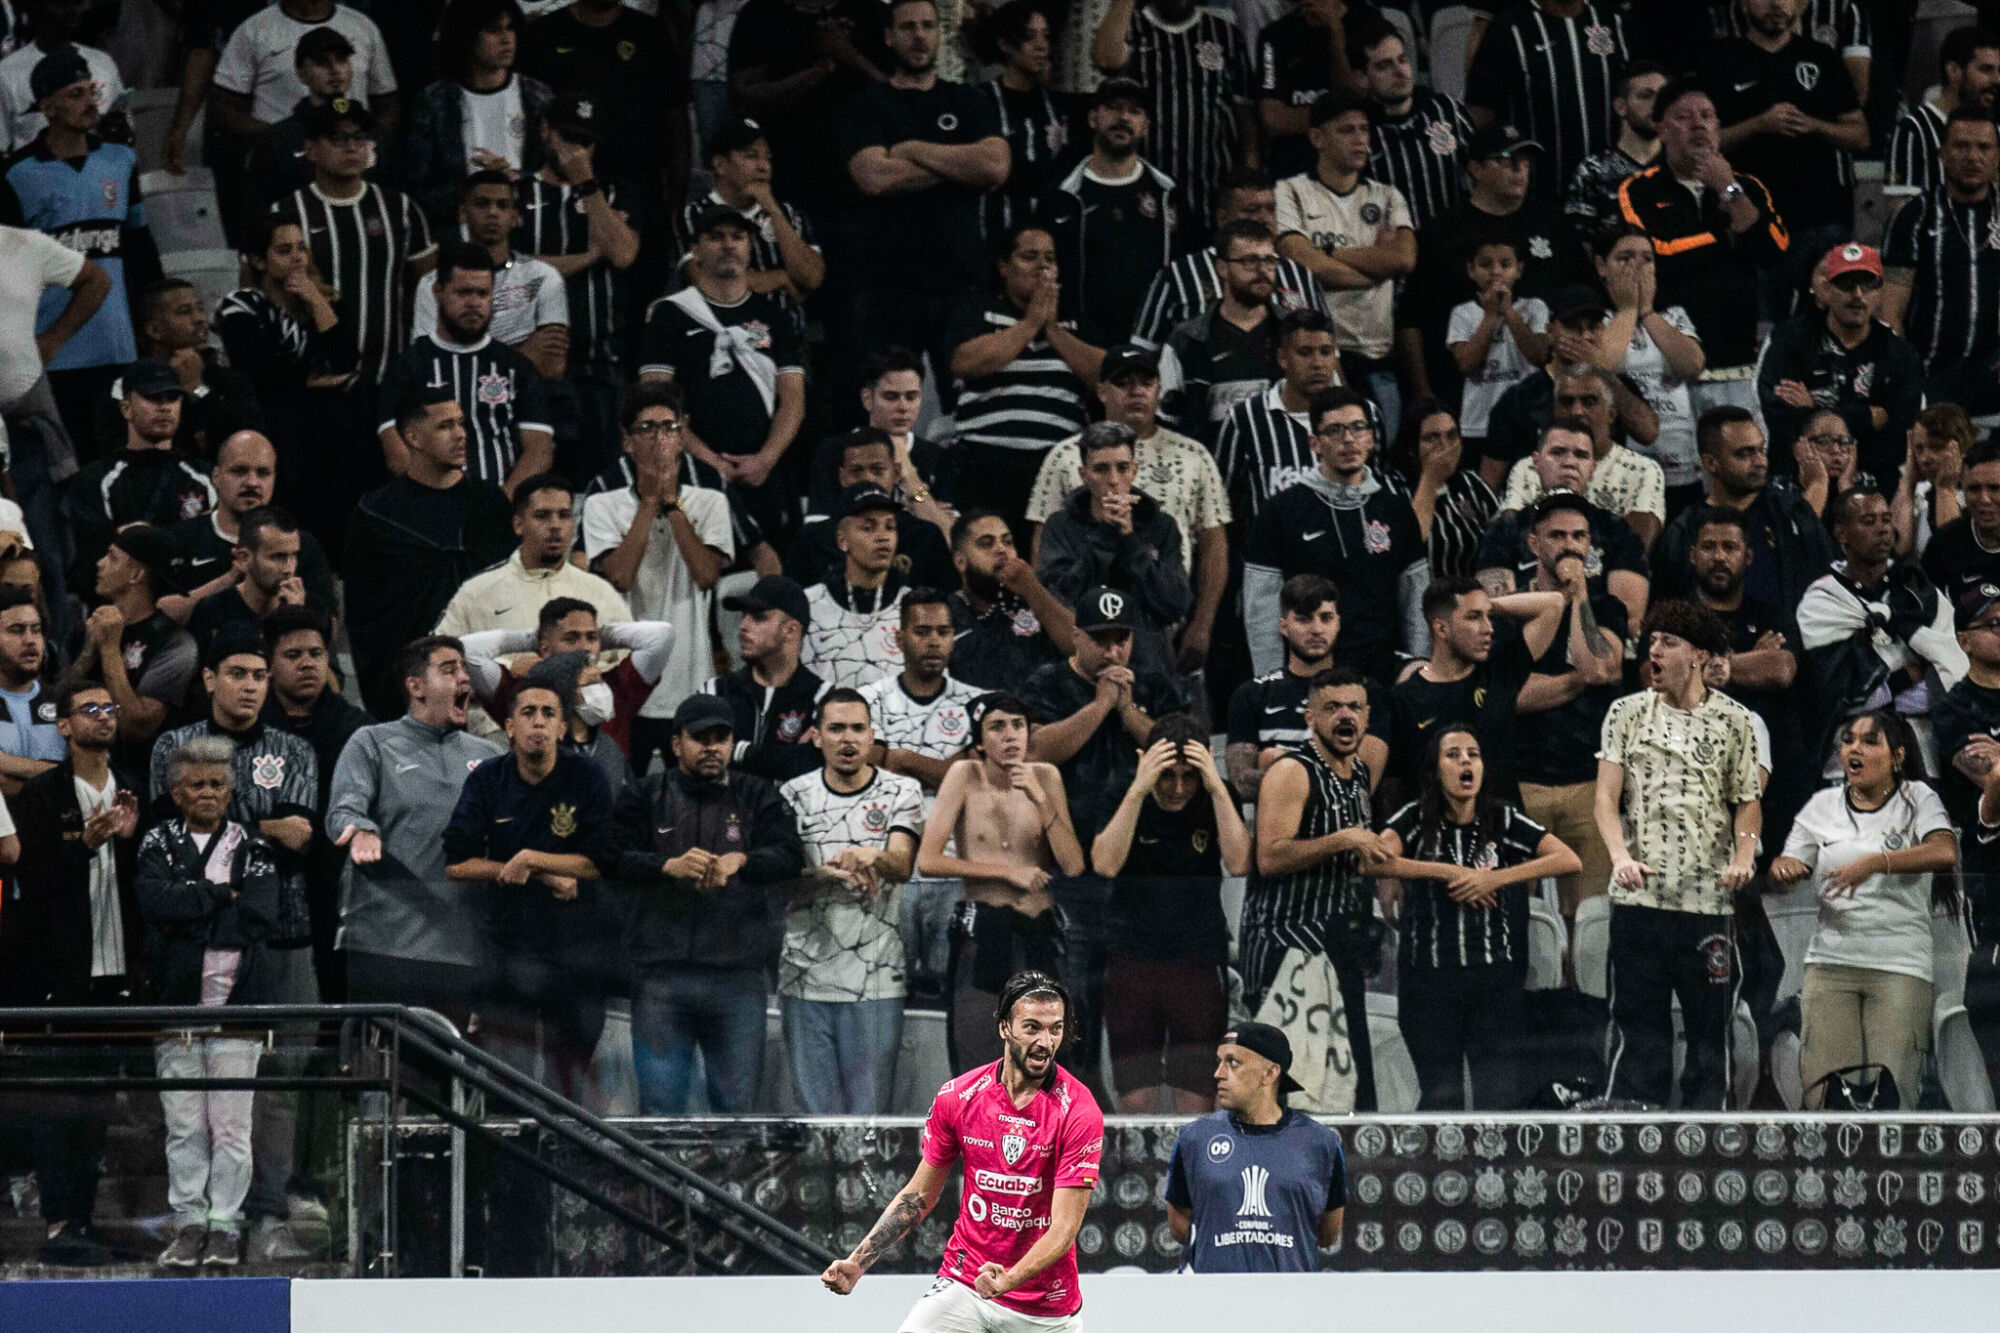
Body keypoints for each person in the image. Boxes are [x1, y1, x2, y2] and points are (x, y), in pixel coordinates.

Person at [148, 625, 322, 1246]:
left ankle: (266, 1208)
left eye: (259, 676)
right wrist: (261, 828)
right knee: (190, 1094)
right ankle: (192, 1217)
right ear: (209, 679)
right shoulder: (173, 745)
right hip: (188, 946)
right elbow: (170, 838)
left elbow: (301, 834)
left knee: (275, 1085)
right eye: (238, 674)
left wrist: (227, 825)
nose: (251, 686)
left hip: (282, 936)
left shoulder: (293, 748)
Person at [821, 971, 1101, 1326]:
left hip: (1044, 1307)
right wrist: (857, 1263)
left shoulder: (1078, 1110)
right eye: (1032, 1028)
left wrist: (1009, 1279)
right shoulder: (958, 1096)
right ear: (1004, 1027)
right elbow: (919, 1195)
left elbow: (1063, 1230)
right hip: (965, 1285)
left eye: (1055, 1029)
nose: (1045, 1042)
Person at [1594, 600, 1763, 1109]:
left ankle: (1708, 1139)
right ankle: (1631, 1137)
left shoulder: (1735, 721)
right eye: (1651, 642)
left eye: (1668, 642)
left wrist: (1744, 856)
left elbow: (1748, 803)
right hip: (1639, 902)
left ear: (1699, 656)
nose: (1655, 651)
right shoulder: (1625, 713)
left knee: (1710, 1039)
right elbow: (1605, 799)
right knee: (1639, 1036)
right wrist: (1619, 856)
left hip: (1707, 905)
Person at [610, 693, 804, 1112]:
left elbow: (791, 855)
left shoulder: (757, 794)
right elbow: (610, 857)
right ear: (676, 743)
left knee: (736, 1109)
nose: (712, 747)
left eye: (721, 738)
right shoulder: (643, 794)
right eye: (701, 738)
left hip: (738, 978)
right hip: (660, 975)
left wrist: (744, 861)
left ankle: (729, 1165)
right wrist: (666, 866)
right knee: (660, 1108)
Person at [138, 736, 284, 1270]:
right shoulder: (157, 841)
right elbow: (155, 904)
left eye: (217, 784)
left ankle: (225, 1224)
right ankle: (189, 1223)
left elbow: (259, 915)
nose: (208, 792)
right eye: (197, 784)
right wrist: (223, 895)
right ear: (177, 793)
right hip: (174, 1007)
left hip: (237, 1009)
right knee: (184, 1125)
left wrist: (191, 912)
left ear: (230, 791)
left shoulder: (255, 845)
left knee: (231, 1127)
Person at [1377, 725, 1580, 1109]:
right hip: (1428, 979)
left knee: (1498, 1099)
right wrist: (1446, 872)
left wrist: (1495, 878)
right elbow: (1370, 860)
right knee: (1441, 1097)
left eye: (1473, 754)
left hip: (1493, 980)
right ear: (1435, 769)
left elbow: (1568, 859)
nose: (1465, 762)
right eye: (1453, 755)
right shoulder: (1415, 816)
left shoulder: (1502, 817)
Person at [1771, 710, 1958, 1108]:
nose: (1854, 749)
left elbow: (1944, 850)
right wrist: (1782, 869)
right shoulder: (1821, 805)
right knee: (1823, 1096)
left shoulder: (1918, 799)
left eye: (1870, 741)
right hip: (1830, 964)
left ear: (1898, 756)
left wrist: (1875, 862)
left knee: (1892, 1097)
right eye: (1848, 740)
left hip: (1899, 965)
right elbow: (1788, 868)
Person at [444, 674, 613, 1100]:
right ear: (510, 726)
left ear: (562, 727)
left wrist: (532, 859)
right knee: (507, 1084)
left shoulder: (587, 776)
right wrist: (534, 871)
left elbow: (602, 861)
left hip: (577, 952)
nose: (538, 722)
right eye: (528, 712)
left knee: (570, 1085)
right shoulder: (488, 779)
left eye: (549, 714)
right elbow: (458, 865)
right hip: (508, 951)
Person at [9, 679, 130, 1269]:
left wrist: (127, 841)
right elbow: (30, 883)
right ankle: (60, 1220)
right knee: (60, 1104)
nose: (104, 716)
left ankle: (85, 1218)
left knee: (99, 1106)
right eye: (90, 709)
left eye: (110, 707)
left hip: (119, 972)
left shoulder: (132, 787)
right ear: (63, 725)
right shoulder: (41, 794)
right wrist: (83, 844)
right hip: (61, 974)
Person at [327, 636, 502, 1033]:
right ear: (416, 686)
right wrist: (362, 831)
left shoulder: (491, 757)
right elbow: (344, 809)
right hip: (382, 943)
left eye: (464, 669)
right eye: (449, 669)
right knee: (376, 1064)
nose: (464, 677)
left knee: (445, 1065)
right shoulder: (372, 742)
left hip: (461, 947)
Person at [841, 0, 1008, 391]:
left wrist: (912, 149)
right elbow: (875, 177)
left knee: (963, 404)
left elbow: (995, 167)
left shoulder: (967, 100)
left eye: (928, 26)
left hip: (961, 283)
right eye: (908, 27)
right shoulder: (866, 105)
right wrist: (957, 168)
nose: (919, 36)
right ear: (889, 36)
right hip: (890, 285)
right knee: (892, 403)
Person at [916, 695, 1083, 1070]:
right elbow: (928, 860)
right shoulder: (964, 776)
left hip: (1038, 931)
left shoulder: (1046, 777)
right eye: (997, 727)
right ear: (979, 741)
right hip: (984, 929)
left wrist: (1041, 800)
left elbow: (1073, 864)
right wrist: (1006, 871)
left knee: (1047, 1058)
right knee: (979, 1055)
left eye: (1017, 725)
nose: (1010, 735)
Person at [776, 689, 923, 1113]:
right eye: (836, 728)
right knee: (816, 1123)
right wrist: (827, 875)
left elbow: (902, 864)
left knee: (869, 1121)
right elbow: (780, 885)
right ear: (816, 736)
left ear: (872, 736)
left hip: (876, 980)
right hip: (804, 978)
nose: (848, 739)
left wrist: (871, 856)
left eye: (858, 728)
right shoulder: (793, 794)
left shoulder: (902, 790)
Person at [1092, 714, 1247, 1112]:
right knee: (1136, 1097)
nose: (1179, 788)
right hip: (1132, 956)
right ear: (1146, 762)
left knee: (1197, 1096)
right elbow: (1105, 863)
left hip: (1198, 958)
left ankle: (1190, 1161)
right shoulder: (1123, 791)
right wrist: (1139, 788)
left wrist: (1215, 784)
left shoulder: (1216, 794)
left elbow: (1239, 862)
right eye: (1167, 776)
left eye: (1189, 776)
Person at [0, 49, 152, 449]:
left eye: (91, 91)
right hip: (50, 349)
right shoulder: (16, 174)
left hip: (116, 345)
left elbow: (139, 248)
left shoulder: (120, 160)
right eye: (75, 94)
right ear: (47, 106)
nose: (89, 103)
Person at [1247, 666, 1383, 1111]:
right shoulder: (1292, 771)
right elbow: (1269, 857)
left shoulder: (1358, 773)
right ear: (1310, 717)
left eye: (1354, 707)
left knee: (1351, 1090)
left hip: (1338, 947)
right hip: (1288, 947)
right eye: (1333, 707)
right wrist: (1340, 840)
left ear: (1367, 716)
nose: (1345, 716)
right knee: (1291, 1096)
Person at [1616, 80, 1790, 421]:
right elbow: (1657, 255)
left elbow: (1774, 251)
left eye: (1707, 116)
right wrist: (1727, 237)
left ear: (1718, 127)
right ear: (1661, 129)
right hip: (1667, 369)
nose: (1698, 125)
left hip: (1740, 365)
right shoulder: (1638, 189)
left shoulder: (1747, 187)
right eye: (1684, 117)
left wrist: (1728, 188)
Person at [638, 205, 805, 545]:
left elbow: (793, 400)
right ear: (695, 251)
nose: (729, 245)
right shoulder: (669, 314)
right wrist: (710, 462)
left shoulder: (775, 316)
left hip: (765, 471)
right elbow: (655, 401)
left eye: (738, 237)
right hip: (692, 469)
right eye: (716, 237)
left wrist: (765, 460)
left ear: (749, 247)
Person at [344, 385, 513, 718]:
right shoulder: (377, 514)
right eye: (445, 426)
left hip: (486, 691)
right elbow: (365, 618)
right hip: (407, 694)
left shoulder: (490, 505)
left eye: (461, 423)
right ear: (413, 438)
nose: (461, 435)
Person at [579, 385, 731, 749]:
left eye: (669, 427)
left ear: (682, 436)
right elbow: (620, 576)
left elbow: (706, 575)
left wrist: (673, 506)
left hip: (690, 675)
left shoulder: (711, 502)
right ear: (628, 441)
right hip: (625, 678)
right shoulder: (601, 504)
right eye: (646, 428)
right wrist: (648, 503)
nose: (659, 438)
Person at [1244, 387, 1428, 686]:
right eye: (1334, 430)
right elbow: (1261, 608)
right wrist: (1273, 683)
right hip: (1310, 672)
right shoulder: (1280, 511)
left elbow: (1416, 598)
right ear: (1314, 443)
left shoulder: (1396, 509)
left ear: (1371, 438)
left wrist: (1420, 671)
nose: (1348, 439)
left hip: (1384, 669)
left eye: (1358, 428)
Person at [1699, 0, 1868, 313]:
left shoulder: (1821, 57)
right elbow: (1705, 144)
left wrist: (1814, 124)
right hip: (1753, 219)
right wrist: (1758, 124)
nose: (1776, 4)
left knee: (1827, 319)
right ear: (1744, 5)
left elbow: (1860, 135)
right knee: (1762, 322)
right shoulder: (1720, 62)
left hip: (1821, 216)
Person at [859, 590, 985, 998]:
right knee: (885, 991)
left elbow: (975, 779)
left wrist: (902, 758)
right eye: (922, 631)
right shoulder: (870, 699)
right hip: (889, 869)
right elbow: (868, 773)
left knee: (953, 995)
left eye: (943, 632)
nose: (934, 641)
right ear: (899, 638)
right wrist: (947, 770)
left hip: (955, 870)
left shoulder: (976, 704)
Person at [514, 93, 640, 483]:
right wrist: (590, 257)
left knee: (599, 484)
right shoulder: (517, 194)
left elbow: (623, 254)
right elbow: (517, 266)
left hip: (599, 365)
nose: (576, 152)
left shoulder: (611, 193)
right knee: (538, 483)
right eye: (568, 139)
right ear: (545, 132)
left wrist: (586, 182)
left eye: (585, 143)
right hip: (532, 365)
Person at [948, 224, 1105, 531]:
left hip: (1053, 465)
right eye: (1029, 257)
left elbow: (1105, 378)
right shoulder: (978, 311)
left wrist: (1053, 330)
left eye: (1050, 258)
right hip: (982, 464)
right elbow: (964, 362)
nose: (1042, 266)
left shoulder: (1076, 322)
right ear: (1004, 266)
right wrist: (1031, 323)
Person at [1274, 92, 1415, 432]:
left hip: (1380, 357)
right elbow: (1306, 266)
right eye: (1346, 130)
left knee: (1380, 450)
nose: (1359, 139)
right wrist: (1377, 268)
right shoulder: (1289, 191)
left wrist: (1327, 252)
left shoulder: (1387, 196)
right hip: (1324, 359)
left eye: (1364, 130)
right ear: (1317, 137)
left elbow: (1405, 259)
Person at [272, 97, 436, 387]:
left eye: (359, 138)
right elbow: (264, 292)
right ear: (311, 149)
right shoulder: (286, 212)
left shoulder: (401, 209)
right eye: (338, 139)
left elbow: (428, 288)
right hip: (314, 381)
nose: (351, 147)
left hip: (389, 378)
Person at [1797, 488, 1966, 762]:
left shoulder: (1917, 590)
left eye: (1886, 519)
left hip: (1927, 744)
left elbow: (1953, 674)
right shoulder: (1822, 602)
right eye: (1869, 521)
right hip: (1849, 750)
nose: (1883, 529)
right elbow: (1838, 697)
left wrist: (1890, 692)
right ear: (1841, 533)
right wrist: (1908, 675)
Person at [1163, 1021, 1345, 1271]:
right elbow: (1178, 1226)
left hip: (1291, 1293)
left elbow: (1328, 1234)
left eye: (1233, 1063)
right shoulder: (1194, 1139)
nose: (1218, 1073)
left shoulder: (1320, 1143)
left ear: (1270, 1073)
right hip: (1216, 1293)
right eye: (1219, 1061)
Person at [213, 219, 359, 526]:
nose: (297, 258)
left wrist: (315, 299)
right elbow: (257, 371)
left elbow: (345, 360)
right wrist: (310, 380)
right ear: (258, 260)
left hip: (329, 428)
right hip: (274, 425)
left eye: (300, 248)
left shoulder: (327, 303)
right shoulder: (242, 307)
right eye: (284, 250)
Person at [377, 242, 554, 493]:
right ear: (438, 292)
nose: (473, 303)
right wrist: (445, 501)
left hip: (500, 504)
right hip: (430, 505)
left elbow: (539, 450)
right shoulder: (408, 366)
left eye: (482, 294)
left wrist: (499, 503)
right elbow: (396, 454)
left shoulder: (516, 366)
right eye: (463, 293)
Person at [1684, 505, 1808, 852]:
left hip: (1772, 779)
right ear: (1693, 555)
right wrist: (1751, 660)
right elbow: (1658, 677)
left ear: (1748, 556)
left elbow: (1781, 670)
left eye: (1730, 547)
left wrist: (1708, 668)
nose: (1719, 557)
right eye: (1709, 547)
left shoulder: (1772, 614)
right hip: (1694, 774)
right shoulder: (1676, 616)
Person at [260, 605, 368, 992]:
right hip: (261, 883)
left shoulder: (359, 732)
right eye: (293, 655)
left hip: (336, 887)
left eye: (316, 653)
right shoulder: (246, 728)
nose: (307, 663)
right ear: (269, 665)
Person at [1034, 424, 1193, 680]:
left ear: (1135, 470)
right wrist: (1105, 536)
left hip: (1148, 669)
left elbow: (1174, 604)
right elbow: (1060, 600)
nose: (1113, 480)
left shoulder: (1161, 525)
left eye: (1122, 468)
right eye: (1101, 469)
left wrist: (1129, 540)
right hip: (1079, 670)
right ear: (1084, 475)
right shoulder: (1060, 526)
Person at [1758, 243, 1923, 488]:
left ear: (1879, 291)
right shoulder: (1790, 341)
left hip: (1873, 483)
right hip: (1799, 480)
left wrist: (1814, 411)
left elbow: (1900, 434)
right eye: (1846, 285)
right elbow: (1780, 420)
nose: (1858, 295)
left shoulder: (1899, 354)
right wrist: (1866, 416)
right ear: (1827, 290)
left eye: (1867, 285)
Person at [1091, 0, 1253, 238]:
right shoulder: (1131, 28)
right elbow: (1106, 60)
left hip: (1210, 194)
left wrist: (1248, 182)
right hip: (1144, 195)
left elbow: (1247, 121)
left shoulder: (1224, 34)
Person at [1654, 406, 1838, 615]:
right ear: (1711, 463)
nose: (1760, 461)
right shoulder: (1684, 531)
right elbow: (1669, 609)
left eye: (1761, 450)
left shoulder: (1790, 513)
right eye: (1744, 454)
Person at [1040, 77, 1177, 348]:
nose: (1123, 117)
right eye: (1114, 108)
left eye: (1134, 111)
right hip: (1077, 345)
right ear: (1093, 118)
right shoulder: (1061, 195)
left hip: (1151, 347)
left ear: (1146, 126)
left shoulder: (1168, 194)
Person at [1881, 110, 2000, 415]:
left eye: (1984, 147)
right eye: (1961, 146)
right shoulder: (1913, 216)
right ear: (1942, 154)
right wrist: (1905, 373)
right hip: (1931, 370)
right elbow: (1891, 310)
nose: (1972, 157)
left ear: (1997, 157)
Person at [1131, 170, 1325, 353]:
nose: (1264, 218)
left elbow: (1326, 347)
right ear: (1222, 218)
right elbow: (1144, 350)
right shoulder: (1179, 274)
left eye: (1271, 210)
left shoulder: (1299, 274)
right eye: (1252, 210)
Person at [64, 360, 216, 589]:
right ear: (126, 408)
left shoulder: (206, 477)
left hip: (194, 597)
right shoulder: (96, 480)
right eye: (153, 397)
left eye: (172, 398)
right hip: (122, 600)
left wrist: (141, 535)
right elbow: (93, 561)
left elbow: (215, 548)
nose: (165, 407)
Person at [400, 0, 552, 227]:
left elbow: (555, 172)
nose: (506, 39)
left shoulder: (537, 97)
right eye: (494, 30)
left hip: (525, 224)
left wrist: (514, 179)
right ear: (467, 38)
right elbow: (417, 182)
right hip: (456, 229)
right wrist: (478, 184)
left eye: (510, 28)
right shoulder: (435, 101)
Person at [435, 470, 629, 644]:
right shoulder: (477, 593)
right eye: (542, 516)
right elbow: (441, 656)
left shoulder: (600, 593)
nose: (555, 525)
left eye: (564, 515)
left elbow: (626, 662)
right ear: (518, 525)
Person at [410, 173, 568, 383]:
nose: (493, 212)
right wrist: (522, 353)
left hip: (526, 396)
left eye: (502, 205)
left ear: (515, 217)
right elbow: (431, 366)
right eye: (482, 204)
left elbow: (551, 367)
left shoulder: (543, 276)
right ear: (463, 213)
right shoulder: (433, 282)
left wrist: (465, 357)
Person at [164, 433, 335, 621]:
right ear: (216, 477)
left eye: (263, 473)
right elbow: (157, 618)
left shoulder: (301, 546)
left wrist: (296, 611)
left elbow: (331, 625)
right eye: (239, 471)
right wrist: (230, 578)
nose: (252, 482)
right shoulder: (179, 539)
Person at [1466, 0, 1625, 200]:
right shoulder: (1510, 27)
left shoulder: (1615, 21)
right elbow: (1481, 107)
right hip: (1538, 191)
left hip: (1611, 191)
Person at [77, 525, 198, 786]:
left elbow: (137, 728)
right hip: (79, 771)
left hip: (141, 780)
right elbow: (59, 700)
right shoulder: (90, 626)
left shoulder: (176, 643)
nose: (100, 563)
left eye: (112, 557)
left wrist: (110, 649)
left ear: (136, 575)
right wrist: (89, 651)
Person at [1158, 220, 1290, 441]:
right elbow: (1165, 422)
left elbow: (1329, 406)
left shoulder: (1295, 333)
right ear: (1222, 268)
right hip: (1210, 459)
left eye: (1269, 261)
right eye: (1249, 261)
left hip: (1283, 458)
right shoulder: (1187, 340)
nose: (1262, 270)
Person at [1211, 308, 1344, 526]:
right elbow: (1220, 503)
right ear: (1282, 358)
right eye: (1305, 352)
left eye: (1326, 352)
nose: (1317, 363)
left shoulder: (1364, 416)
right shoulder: (1244, 420)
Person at [702, 573, 829, 785]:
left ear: (790, 630)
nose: (743, 626)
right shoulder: (714, 692)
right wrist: (783, 758)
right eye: (743, 615)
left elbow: (809, 765)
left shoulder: (824, 700)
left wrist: (737, 750)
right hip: (722, 805)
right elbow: (697, 759)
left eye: (758, 617)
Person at [791, 430, 954, 592]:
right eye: (856, 471)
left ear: (896, 474)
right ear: (842, 477)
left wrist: (916, 490)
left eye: (877, 470)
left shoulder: (923, 536)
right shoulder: (812, 539)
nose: (868, 478)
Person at [127, 279, 263, 460]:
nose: (199, 318)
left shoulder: (228, 380)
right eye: (184, 312)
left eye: (200, 309)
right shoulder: (131, 388)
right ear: (154, 330)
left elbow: (246, 446)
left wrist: (198, 390)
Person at [1356, 22, 1472, 233]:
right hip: (1394, 247)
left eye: (1402, 60)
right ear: (1363, 78)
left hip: (1454, 241)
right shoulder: (1360, 131)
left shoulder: (1445, 110)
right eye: (1384, 66)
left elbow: (1482, 165)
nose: (1399, 71)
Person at [946, 510, 1077, 691]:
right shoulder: (947, 612)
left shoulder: (1038, 595)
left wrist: (1032, 589)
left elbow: (1081, 649)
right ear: (960, 561)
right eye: (987, 544)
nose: (1001, 549)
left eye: (1007, 542)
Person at [1447, 235, 1551, 461]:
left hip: (1527, 418)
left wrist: (1509, 312)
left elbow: (1540, 356)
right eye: (1485, 265)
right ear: (1471, 270)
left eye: (1505, 265)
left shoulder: (1534, 307)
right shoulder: (1463, 313)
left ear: (1519, 269)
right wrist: (1491, 315)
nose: (1496, 272)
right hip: (1479, 422)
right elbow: (1467, 365)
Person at [974, 2, 1073, 238]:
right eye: (1030, 37)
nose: (1041, 45)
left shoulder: (1058, 105)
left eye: (1045, 36)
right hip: (996, 233)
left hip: (1048, 236)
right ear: (1005, 44)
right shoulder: (981, 100)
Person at [801, 484, 911, 691]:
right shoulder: (808, 605)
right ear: (842, 539)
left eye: (890, 527)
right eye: (868, 528)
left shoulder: (913, 606)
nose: (883, 536)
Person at [185, 507, 325, 658]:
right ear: (244, 558)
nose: (288, 568)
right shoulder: (212, 611)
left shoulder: (313, 609)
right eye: (277, 557)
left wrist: (297, 618)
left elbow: (316, 669)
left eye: (294, 556)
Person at [1384, 398, 1498, 580]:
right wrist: (1430, 478)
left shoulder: (1471, 483)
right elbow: (1407, 548)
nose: (1445, 446)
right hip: (1420, 593)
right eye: (1431, 438)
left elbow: (1500, 541)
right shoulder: (1391, 489)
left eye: (1452, 436)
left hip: (1472, 589)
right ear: (1410, 447)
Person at [1886, 26, 1999, 196]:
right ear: (1954, 71)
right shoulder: (1913, 130)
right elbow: (1900, 206)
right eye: (1986, 70)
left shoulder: (1995, 129)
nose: (1997, 80)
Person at [1255, 0, 1360, 181]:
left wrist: (1335, 36)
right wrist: (1340, 121)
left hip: (1355, 166)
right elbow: (1272, 120)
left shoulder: (1366, 24)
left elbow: (1362, 105)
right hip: (1294, 168)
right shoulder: (1274, 35)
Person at [0, 0, 122, 151]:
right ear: (35, 8)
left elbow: (122, 121)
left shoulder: (103, 62)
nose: (71, 11)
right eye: (60, 3)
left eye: (76, 2)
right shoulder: (8, 72)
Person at [1565, 60, 1667, 239]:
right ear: (1621, 107)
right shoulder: (1594, 170)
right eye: (1646, 96)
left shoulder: (1681, 166)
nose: (1658, 104)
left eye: (1663, 97)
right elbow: (1580, 242)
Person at [0, 583, 62, 792]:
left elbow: (87, 774)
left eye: (36, 630)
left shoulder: (64, 703)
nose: (30, 640)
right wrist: (56, 776)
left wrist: (8, 765)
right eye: (16, 630)